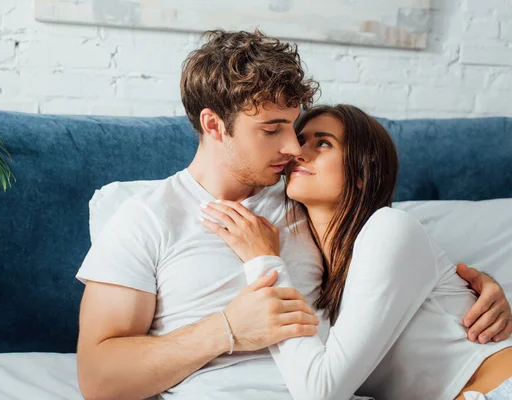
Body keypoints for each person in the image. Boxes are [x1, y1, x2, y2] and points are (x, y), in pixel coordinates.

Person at [75, 30, 512, 400]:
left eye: (295, 127)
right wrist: (228, 329)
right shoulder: (145, 217)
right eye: (272, 130)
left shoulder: (311, 202)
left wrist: (485, 286)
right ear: (213, 125)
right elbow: (97, 377)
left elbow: (402, 254)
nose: (291, 148)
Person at [201, 104, 512, 400]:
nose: (298, 152)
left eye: (322, 144)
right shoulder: (316, 275)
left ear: (363, 172)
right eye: (300, 140)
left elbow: (319, 392)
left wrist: (263, 262)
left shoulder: (389, 228)